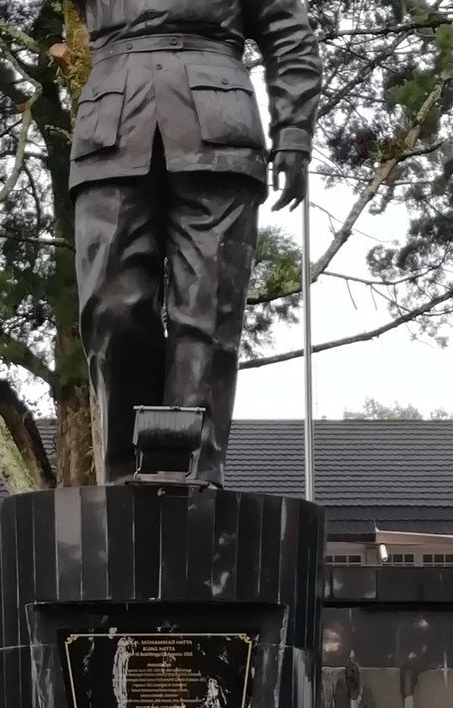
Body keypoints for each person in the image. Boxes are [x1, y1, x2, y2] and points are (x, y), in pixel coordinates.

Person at [70, 0, 323, 487]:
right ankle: (126, 470)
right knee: (110, 310)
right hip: (111, 129)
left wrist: (294, 129)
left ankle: (192, 469)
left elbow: (288, 32)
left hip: (219, 134)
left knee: (207, 310)